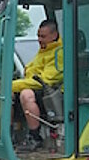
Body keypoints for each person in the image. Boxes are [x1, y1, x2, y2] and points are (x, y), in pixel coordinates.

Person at [12, 20, 63, 149]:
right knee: (9, 94)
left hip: (53, 92)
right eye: (38, 35)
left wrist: (13, 85)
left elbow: (44, 81)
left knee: (26, 94)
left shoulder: (59, 53)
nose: (39, 40)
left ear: (54, 35)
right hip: (42, 89)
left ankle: (35, 137)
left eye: (43, 36)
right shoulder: (44, 51)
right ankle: (11, 133)